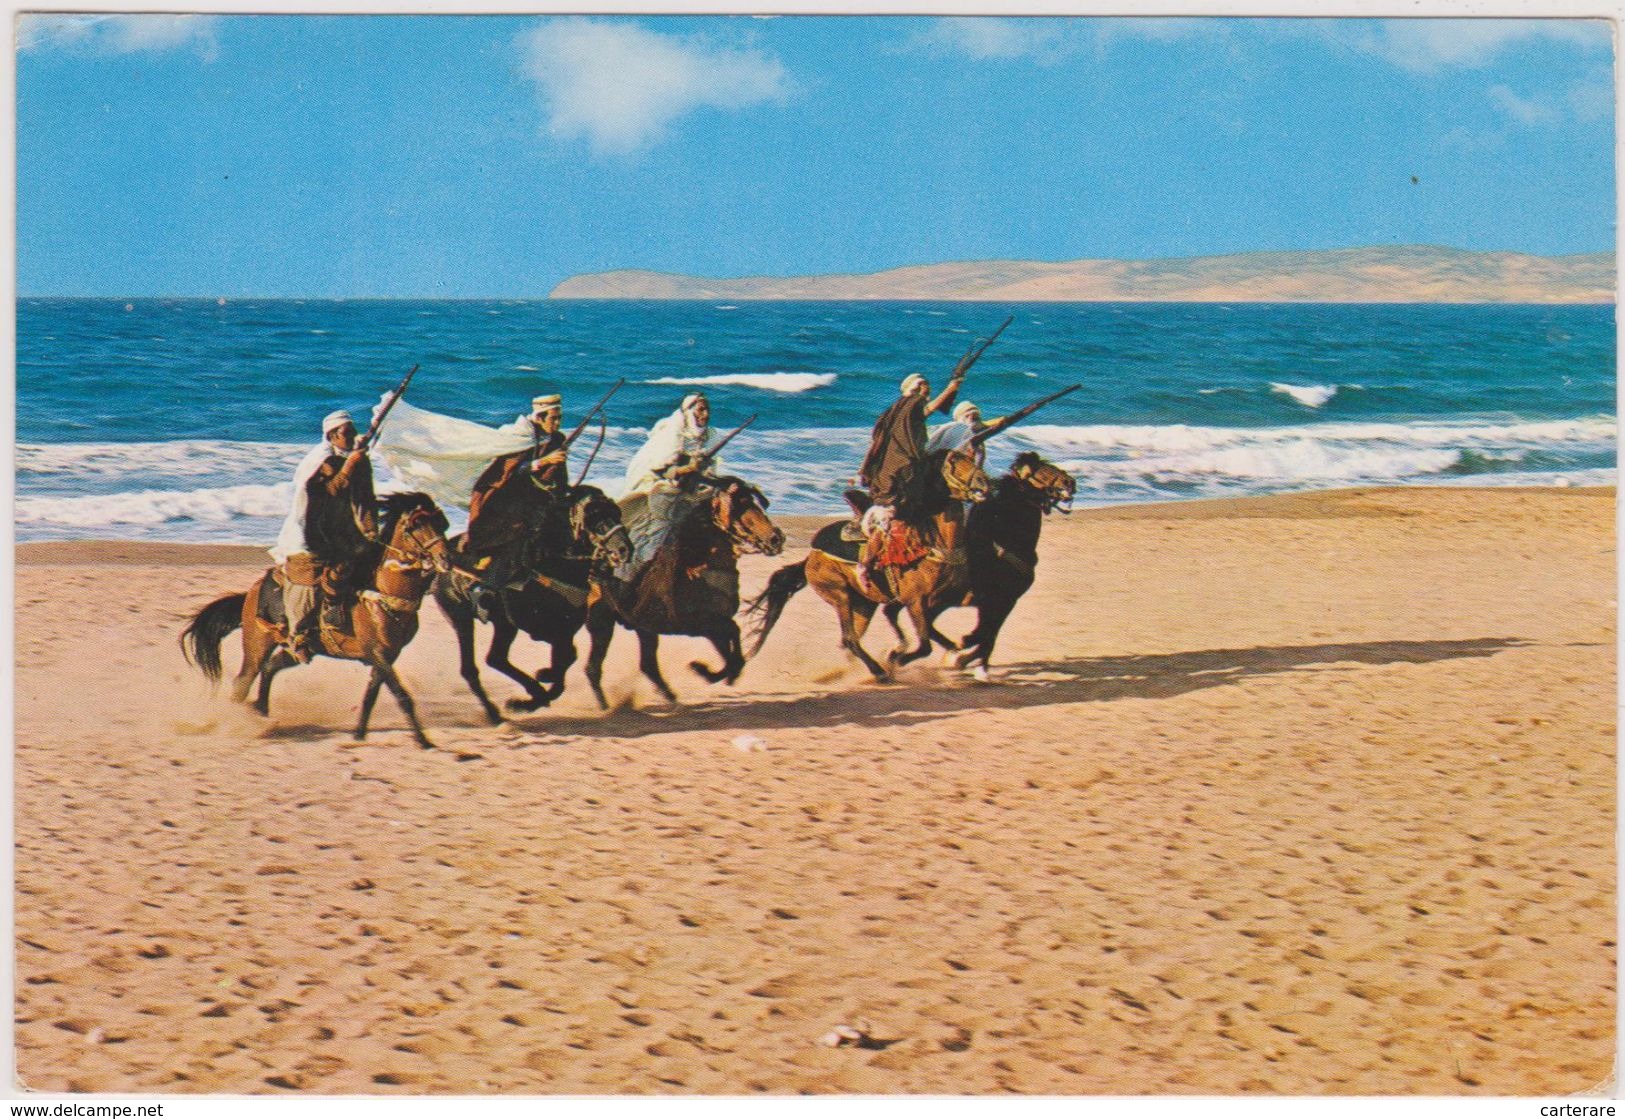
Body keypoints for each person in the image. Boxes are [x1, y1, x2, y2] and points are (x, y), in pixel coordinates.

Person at [269, 409, 378, 662]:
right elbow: (326, 492)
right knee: (309, 577)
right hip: (309, 531)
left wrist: (371, 529)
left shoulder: (348, 456)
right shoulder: (320, 460)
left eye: (353, 432)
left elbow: (363, 496)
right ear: (332, 436)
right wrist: (351, 465)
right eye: (347, 434)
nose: (352, 437)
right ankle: (299, 635)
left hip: (339, 529)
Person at [464, 393, 571, 620]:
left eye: (560, 418)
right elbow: (507, 472)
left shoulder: (557, 439)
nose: (558, 423)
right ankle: (484, 590)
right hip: (507, 501)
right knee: (516, 535)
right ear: (540, 417)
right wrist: (542, 463)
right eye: (554, 418)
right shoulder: (519, 437)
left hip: (540, 499)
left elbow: (560, 478)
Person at [855, 371, 964, 588]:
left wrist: (951, 390)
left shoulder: (906, 409)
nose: (924, 390)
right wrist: (950, 389)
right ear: (909, 390)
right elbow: (929, 409)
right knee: (890, 515)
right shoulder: (907, 404)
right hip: (897, 473)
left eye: (926, 386)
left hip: (908, 469)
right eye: (920, 386)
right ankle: (865, 565)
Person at [621, 392, 724, 569]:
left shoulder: (710, 436)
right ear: (689, 412)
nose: (705, 415)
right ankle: (642, 564)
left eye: (707, 410)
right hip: (661, 486)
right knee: (661, 525)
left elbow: (710, 471)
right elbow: (662, 470)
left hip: (693, 489)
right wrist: (689, 468)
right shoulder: (673, 434)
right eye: (700, 410)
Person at [926, 399, 1004, 466]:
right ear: (960, 418)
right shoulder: (955, 426)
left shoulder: (977, 439)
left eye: (976, 415)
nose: (972, 417)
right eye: (967, 415)